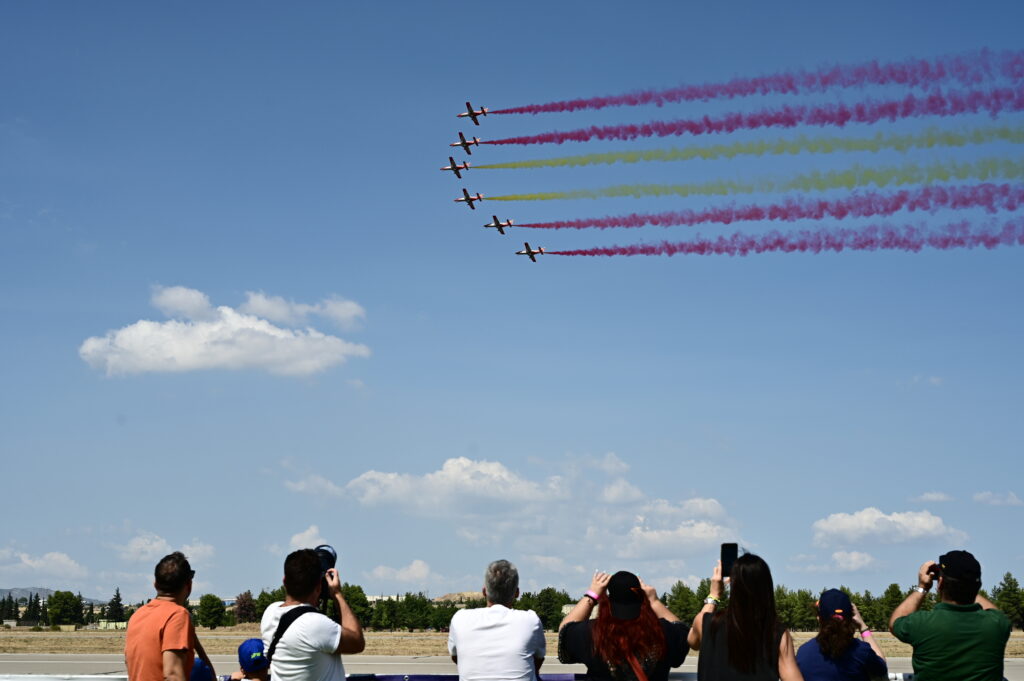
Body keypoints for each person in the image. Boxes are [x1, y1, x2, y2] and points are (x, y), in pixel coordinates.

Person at [888, 550, 1011, 681]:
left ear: (940, 583)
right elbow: (995, 612)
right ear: (978, 585)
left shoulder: (922, 623)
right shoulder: (997, 624)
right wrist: (968, 585)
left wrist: (922, 587)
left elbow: (896, 621)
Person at [687, 555, 802, 681]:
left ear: (732, 585)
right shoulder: (777, 634)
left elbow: (693, 642)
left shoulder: (706, 623)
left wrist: (714, 595)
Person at [558, 570, 688, 681]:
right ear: (642, 599)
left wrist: (592, 595)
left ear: (609, 600)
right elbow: (682, 630)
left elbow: (565, 631)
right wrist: (654, 601)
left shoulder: (591, 632)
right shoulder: (665, 632)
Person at [260, 548, 365, 681]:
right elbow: (357, 642)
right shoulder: (315, 624)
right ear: (318, 587)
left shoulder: (270, 612)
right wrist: (337, 594)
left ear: (285, 581)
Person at [447, 559, 545, 681]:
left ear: (484, 591)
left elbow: (456, 657)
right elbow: (538, 659)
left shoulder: (460, 619)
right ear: (517, 593)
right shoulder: (530, 620)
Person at [125, 551, 215, 681]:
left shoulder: (138, 615)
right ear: (189, 585)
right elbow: (173, 674)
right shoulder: (177, 615)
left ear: (155, 584)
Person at [796, 588, 886, 680]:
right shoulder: (862, 651)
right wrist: (863, 627)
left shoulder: (803, 653)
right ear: (852, 618)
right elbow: (882, 669)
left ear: (819, 618)